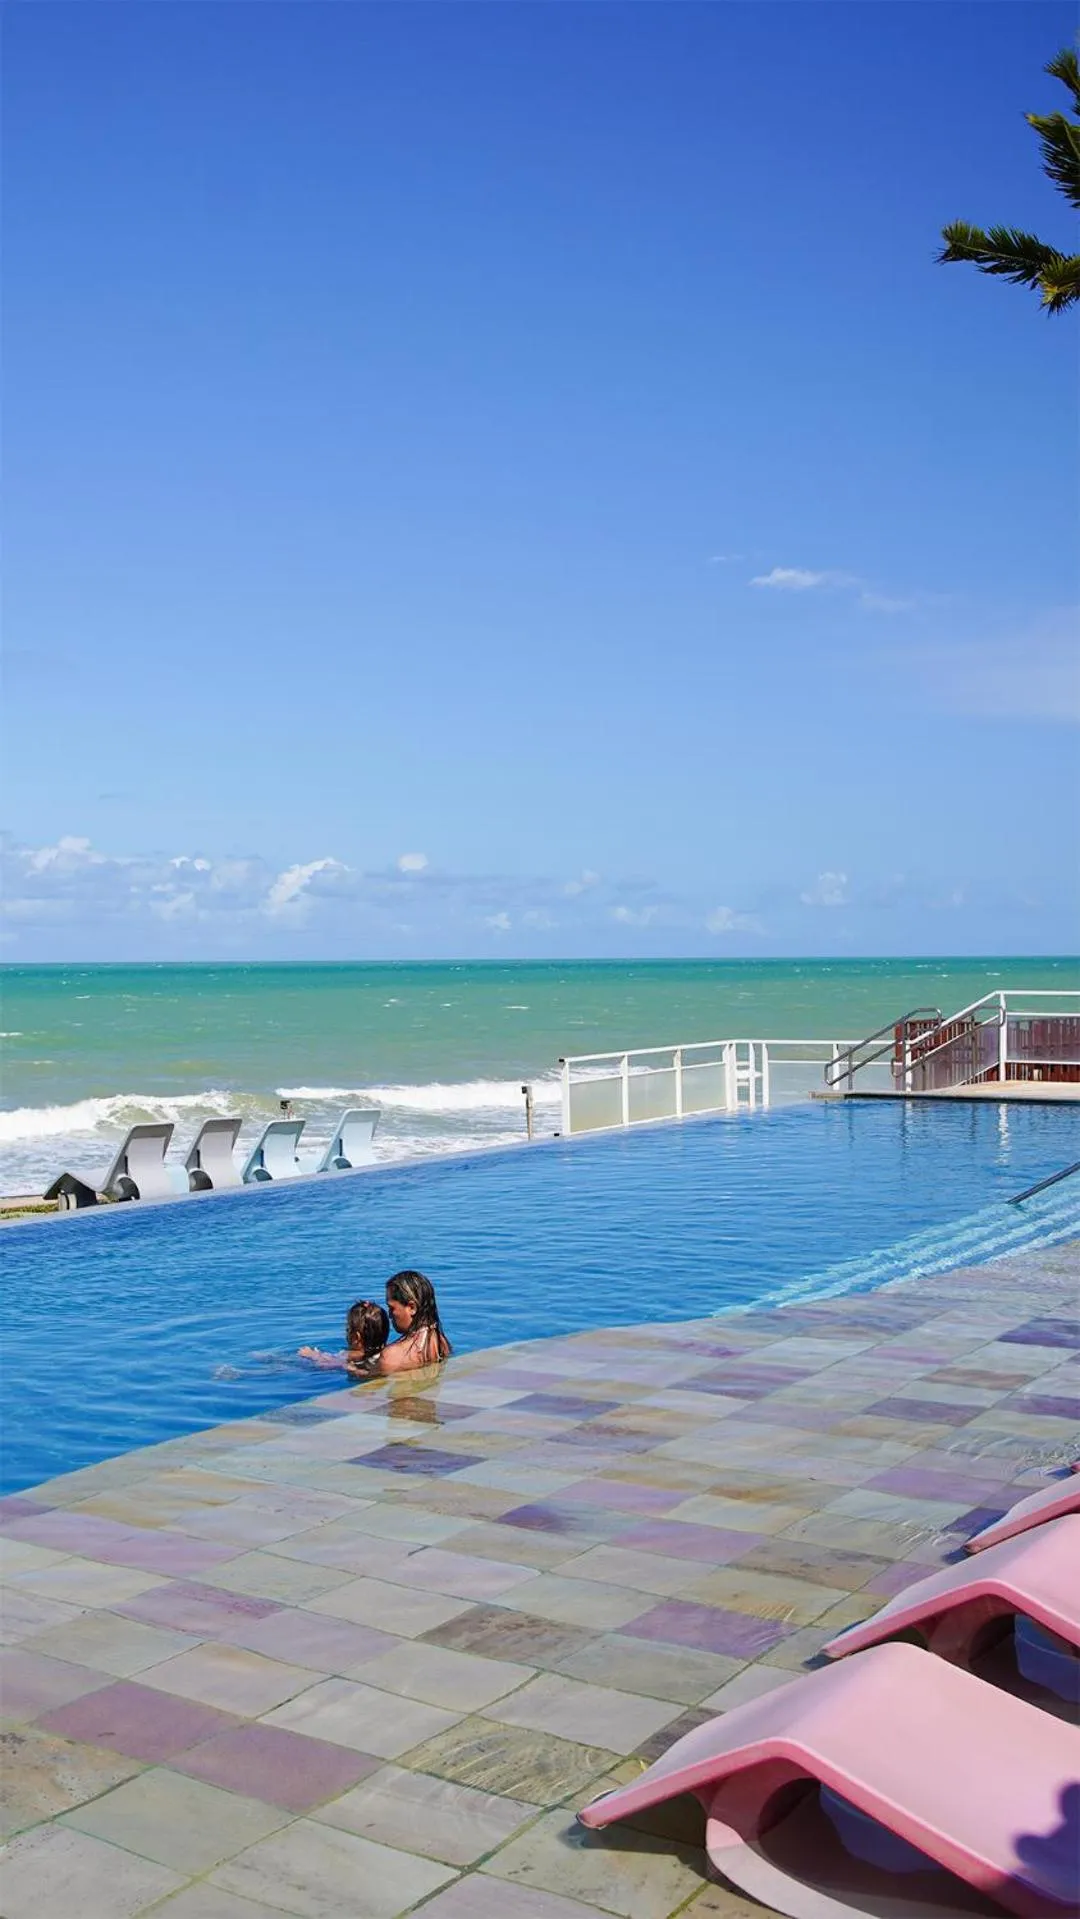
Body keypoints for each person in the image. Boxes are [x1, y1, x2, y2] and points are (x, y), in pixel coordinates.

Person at [375, 1269, 451, 1374]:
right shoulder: (441, 1343)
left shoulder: (391, 1356)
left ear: (412, 1307)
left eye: (392, 1308)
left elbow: (371, 1382)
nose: (389, 1315)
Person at [298, 1299, 389, 1371]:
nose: (346, 1332)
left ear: (357, 1337)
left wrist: (313, 1355)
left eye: (348, 1329)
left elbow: (326, 1364)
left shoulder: (353, 1355)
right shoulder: (388, 1351)